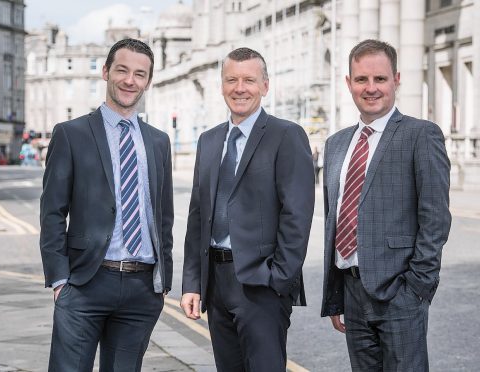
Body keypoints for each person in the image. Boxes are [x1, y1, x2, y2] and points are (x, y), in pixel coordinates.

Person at [40, 38, 174, 372]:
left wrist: (162, 282)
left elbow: (164, 216)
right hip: (86, 283)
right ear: (105, 72)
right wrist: (60, 280)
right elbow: (52, 212)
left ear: (148, 81)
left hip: (142, 289)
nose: (130, 80)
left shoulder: (158, 141)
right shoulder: (71, 134)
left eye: (140, 74)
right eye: (122, 70)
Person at [321, 39, 451, 371]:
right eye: (362, 79)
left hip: (399, 294)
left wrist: (416, 289)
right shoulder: (336, 145)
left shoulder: (421, 135)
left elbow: (434, 218)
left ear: (396, 79)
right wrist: (336, 295)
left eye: (380, 79)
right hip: (351, 292)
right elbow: (335, 222)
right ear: (349, 83)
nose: (371, 88)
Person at [181, 47, 315, 372]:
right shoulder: (209, 140)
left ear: (265, 86)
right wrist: (192, 283)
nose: (240, 88)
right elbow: (198, 215)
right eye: (232, 80)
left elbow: (296, 215)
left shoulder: (287, 135)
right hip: (216, 283)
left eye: (249, 80)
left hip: (262, 285)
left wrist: (280, 279)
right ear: (222, 86)